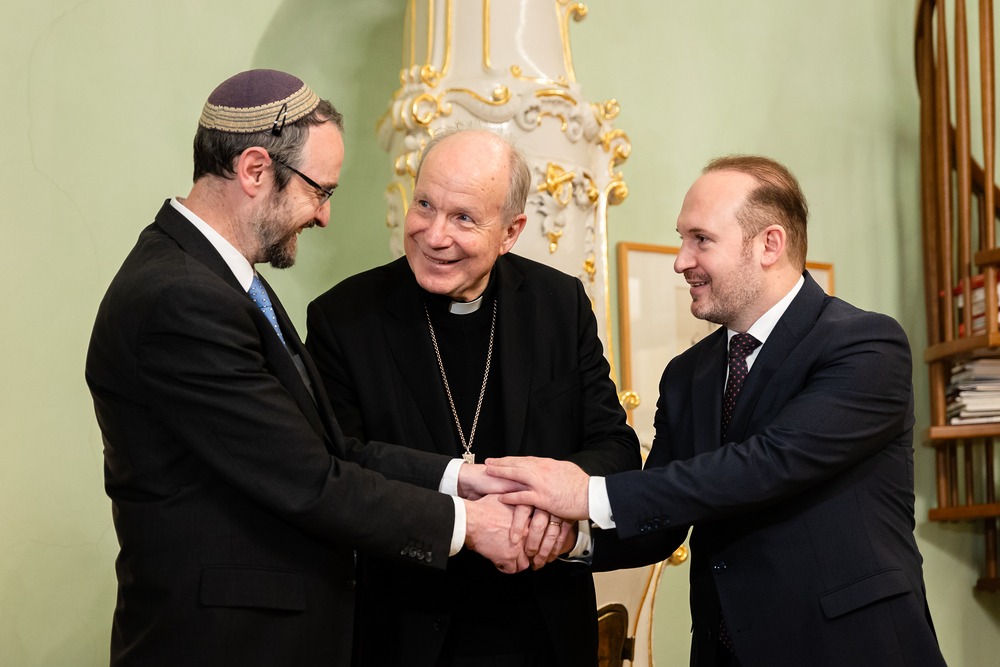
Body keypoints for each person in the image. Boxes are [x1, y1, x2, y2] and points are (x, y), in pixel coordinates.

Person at [86, 70, 525, 667]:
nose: (323, 216)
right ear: (255, 171)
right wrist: (467, 524)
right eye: (320, 191)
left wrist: (458, 479)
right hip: (222, 645)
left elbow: (328, 450)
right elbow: (310, 481)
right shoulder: (180, 298)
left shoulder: (217, 279)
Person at [486, 156, 946, 667]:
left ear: (770, 244)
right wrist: (564, 539)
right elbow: (660, 522)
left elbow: (766, 465)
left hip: (852, 648)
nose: (681, 261)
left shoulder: (866, 345)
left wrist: (586, 493)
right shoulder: (687, 374)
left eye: (701, 240)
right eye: (682, 239)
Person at [305, 128, 641, 667]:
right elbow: (340, 462)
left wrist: (550, 507)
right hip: (408, 630)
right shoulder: (344, 317)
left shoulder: (559, 304)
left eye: (464, 218)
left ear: (510, 232)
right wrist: (457, 483)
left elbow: (615, 446)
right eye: (425, 205)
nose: (434, 235)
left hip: (545, 627)